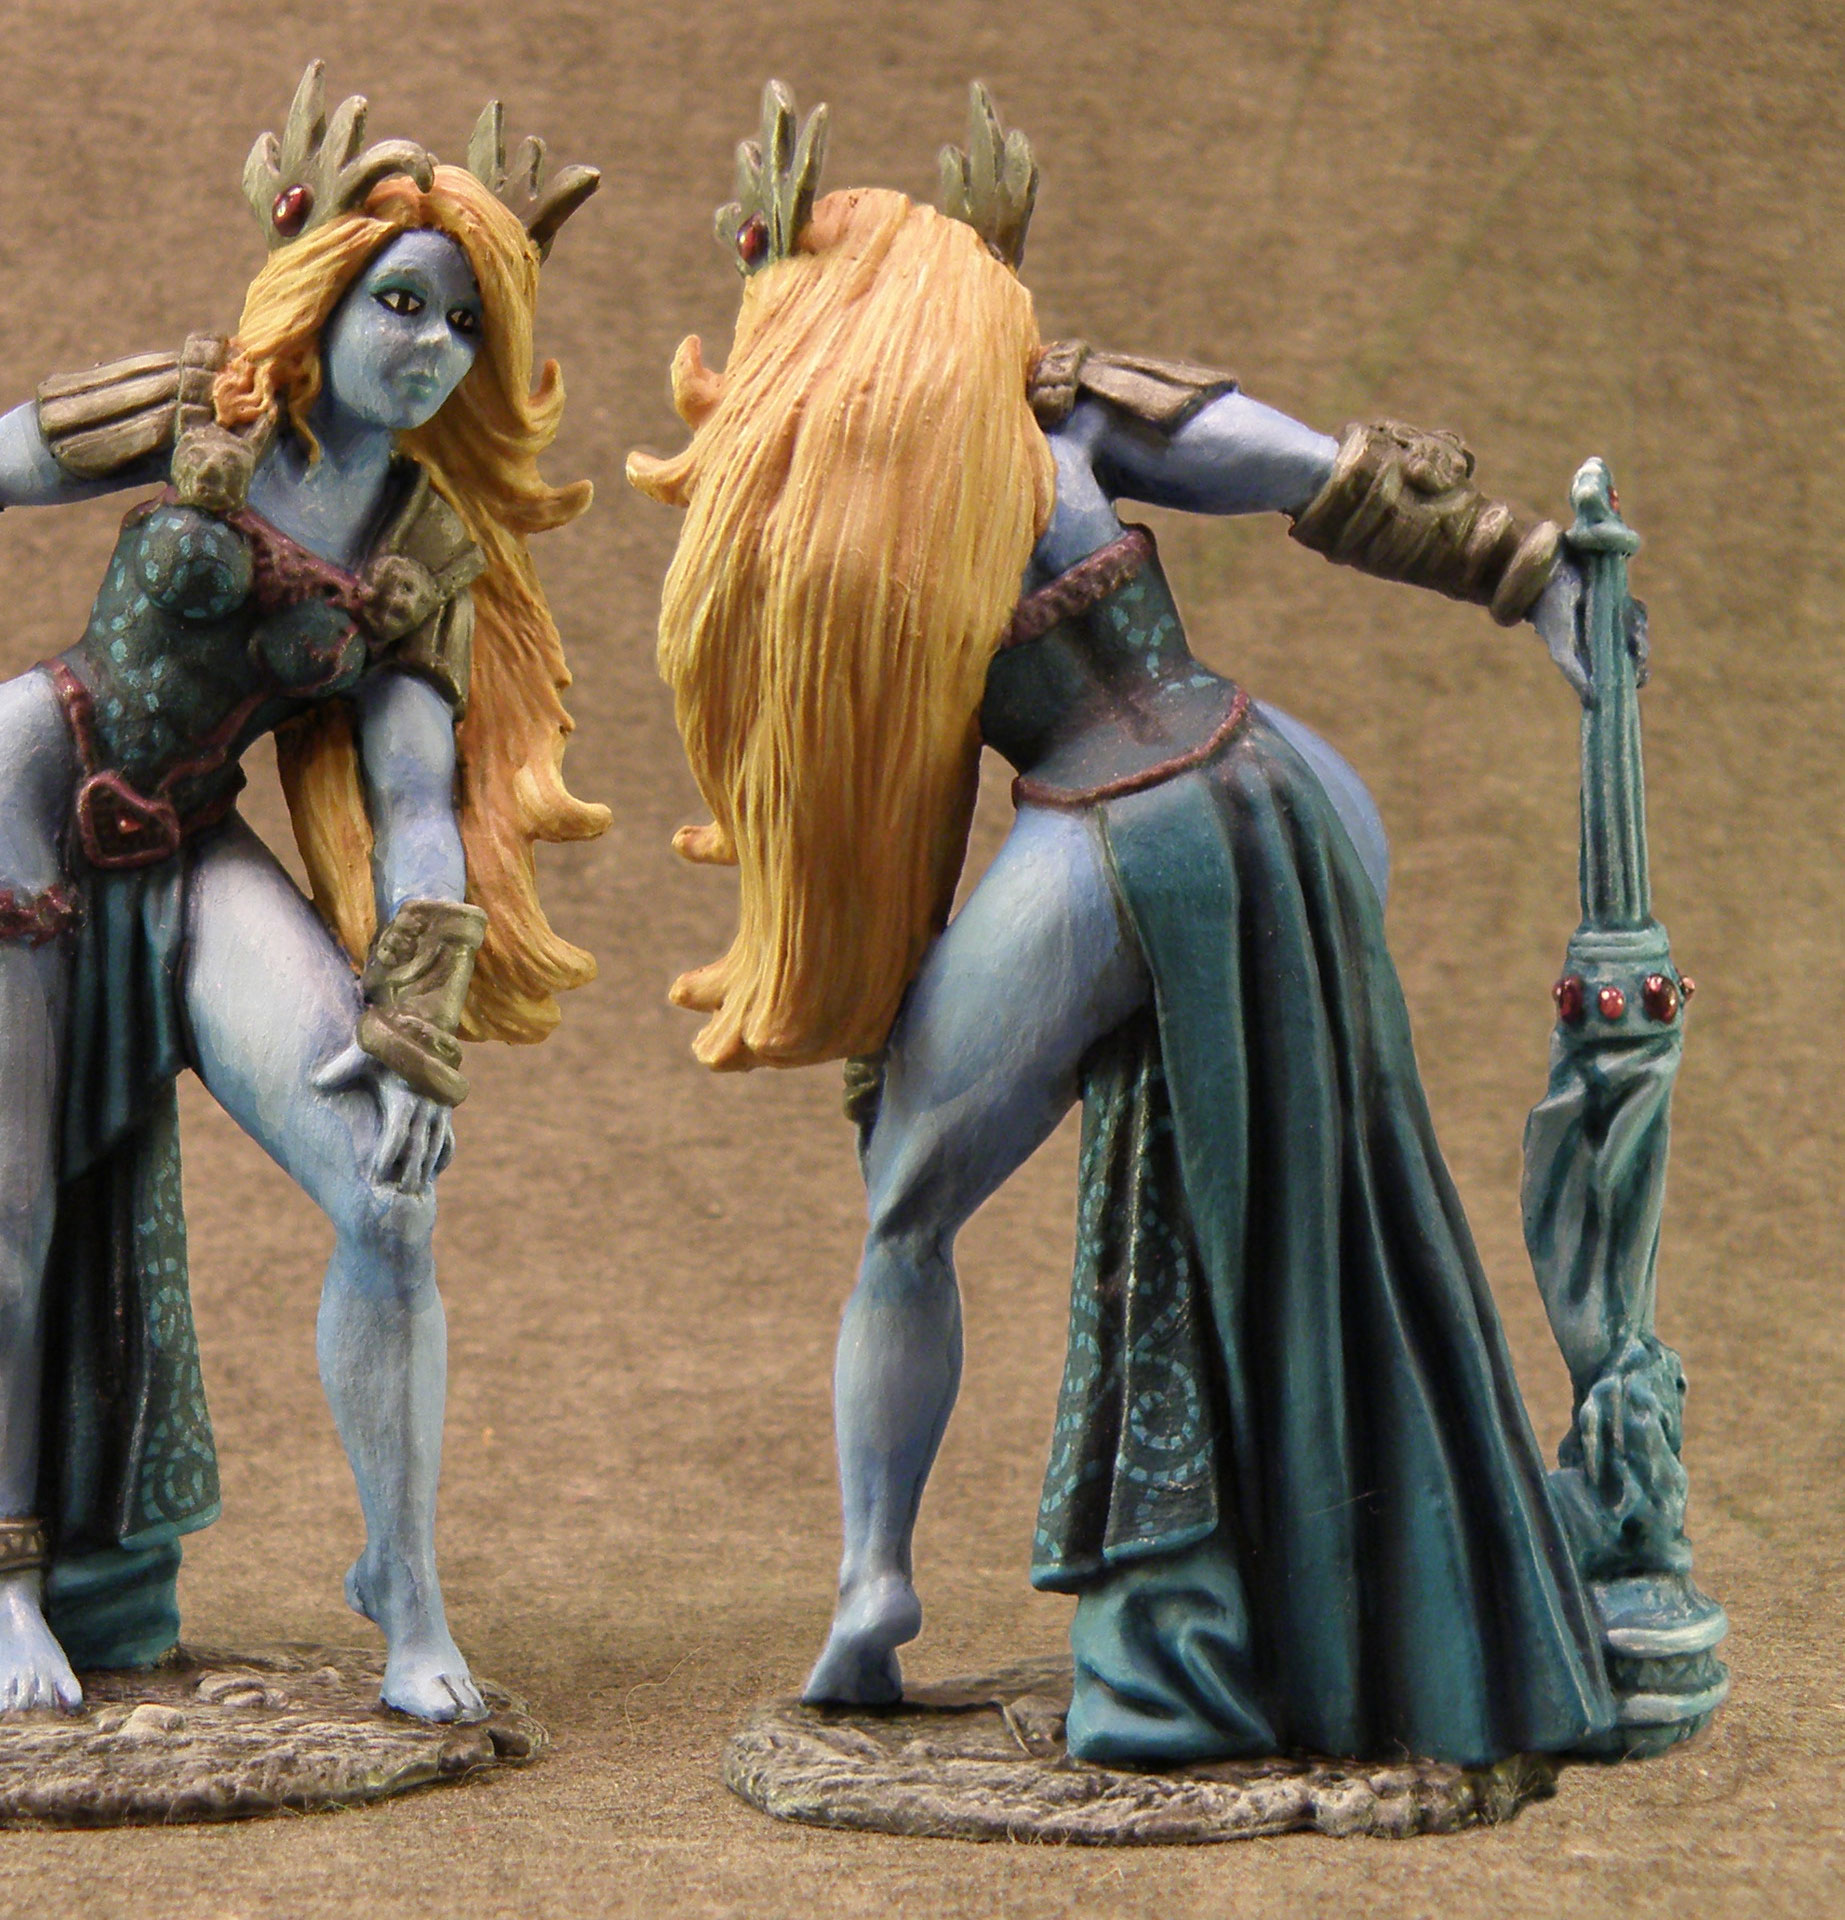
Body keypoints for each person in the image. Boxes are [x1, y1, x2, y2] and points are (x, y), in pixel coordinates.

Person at [629, 84, 1617, 1767]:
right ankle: (1302, 1568)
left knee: (903, 1211)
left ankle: (874, 1581)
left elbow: (855, 795)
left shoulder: (837, 502)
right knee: (1316, 1167)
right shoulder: (1055, 421)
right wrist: (1523, 567)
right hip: (1285, 782)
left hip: (1109, 835)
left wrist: (1534, 572)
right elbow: (1319, 471)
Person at [0, 69, 606, 1721]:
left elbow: (411, 805)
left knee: (386, 1191)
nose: (431, 345)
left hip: (182, 838)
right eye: (401, 301)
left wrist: (414, 1028)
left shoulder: (420, 554)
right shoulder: (195, 405)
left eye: (466, 324)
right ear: (325, 290)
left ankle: (404, 1590)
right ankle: (2, 1587)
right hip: (6, 797)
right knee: (1, 1230)